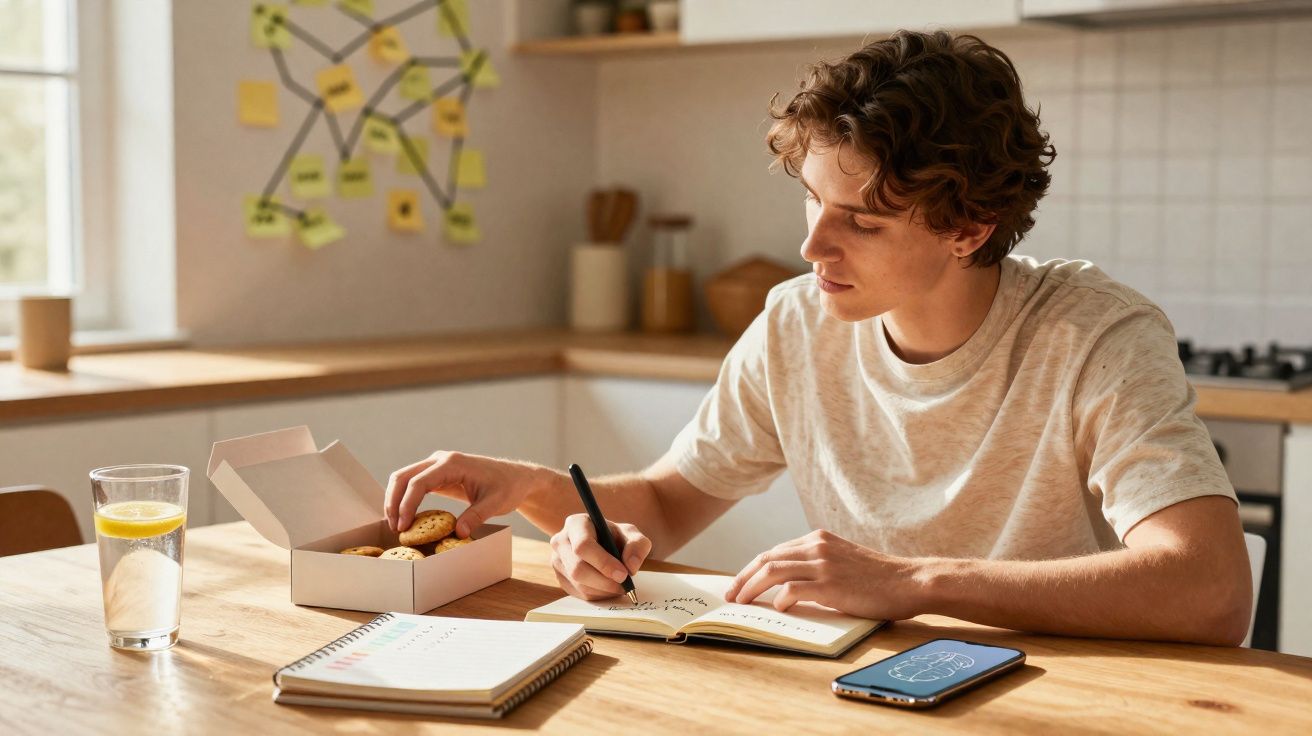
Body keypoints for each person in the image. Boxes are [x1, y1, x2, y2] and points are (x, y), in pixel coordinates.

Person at [384, 30, 1251, 646]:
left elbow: (1209, 591)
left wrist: (913, 582)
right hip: (868, 690)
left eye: (862, 223)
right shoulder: (797, 322)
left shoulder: (1093, 333)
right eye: (811, 199)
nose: (811, 248)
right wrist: (538, 489)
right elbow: (671, 505)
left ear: (969, 228)